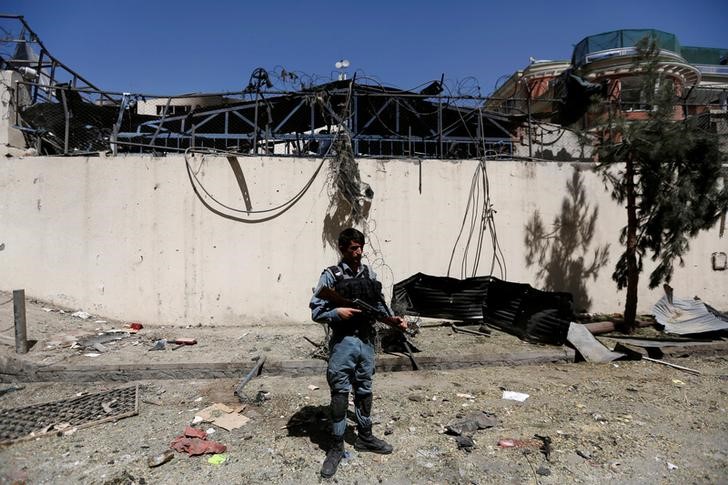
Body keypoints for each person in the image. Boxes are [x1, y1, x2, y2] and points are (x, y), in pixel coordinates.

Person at [310, 228, 407, 479]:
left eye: (361, 247)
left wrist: (393, 320)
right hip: (344, 342)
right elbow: (316, 310)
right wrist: (337, 313)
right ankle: (336, 446)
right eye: (353, 248)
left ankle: (365, 437)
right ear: (342, 249)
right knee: (340, 394)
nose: (359, 252)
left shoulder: (369, 274)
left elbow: (378, 306)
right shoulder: (330, 276)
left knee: (364, 390)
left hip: (366, 341)